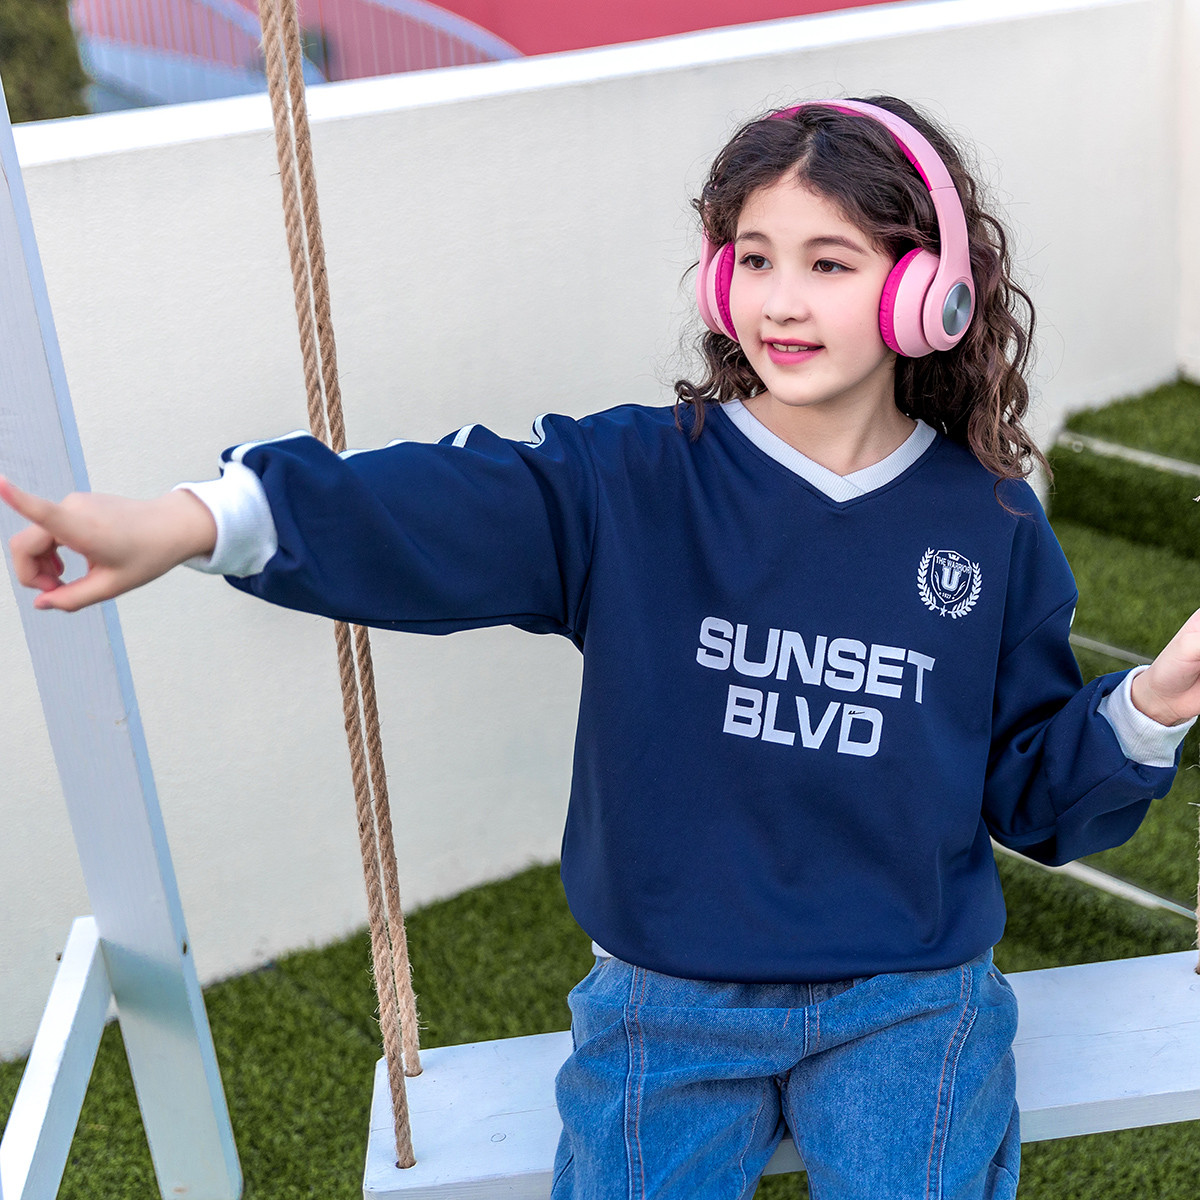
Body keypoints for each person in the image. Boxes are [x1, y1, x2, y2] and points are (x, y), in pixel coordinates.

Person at [4, 96, 1200, 1199]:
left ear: (928, 292)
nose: (781, 301)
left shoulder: (989, 523)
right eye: (754, 260)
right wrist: (195, 521)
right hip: (667, 1000)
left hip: (911, 1003)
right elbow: (438, 503)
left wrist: (1153, 700)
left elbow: (1032, 792)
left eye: (829, 264)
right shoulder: (631, 480)